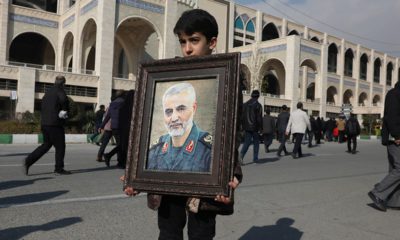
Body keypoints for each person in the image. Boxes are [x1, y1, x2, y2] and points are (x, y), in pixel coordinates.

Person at [123, 9, 242, 240]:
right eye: (183, 42)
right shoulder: (166, 74)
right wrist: (133, 175)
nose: (188, 48)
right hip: (167, 187)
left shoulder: (227, 77)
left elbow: (231, 131)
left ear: (213, 42)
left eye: (195, 41)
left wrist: (232, 174)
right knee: (168, 232)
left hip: (205, 186)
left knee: (201, 233)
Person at [147, 83, 212, 172]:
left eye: (181, 109)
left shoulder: (209, 151)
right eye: (168, 111)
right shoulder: (155, 150)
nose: (174, 118)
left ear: (193, 108)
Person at [23, 75, 71, 175]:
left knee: (46, 145)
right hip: (55, 124)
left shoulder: (48, 92)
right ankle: (59, 168)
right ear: (63, 83)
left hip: (45, 123)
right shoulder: (60, 90)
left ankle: (29, 160)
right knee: (60, 147)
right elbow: (64, 100)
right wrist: (65, 110)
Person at [368, 81, 400, 211]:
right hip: (395, 138)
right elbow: (391, 117)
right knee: (399, 169)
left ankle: (394, 201)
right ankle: (377, 193)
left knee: (394, 169)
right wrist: (397, 135)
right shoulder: (394, 94)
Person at [100, 90, 125, 168]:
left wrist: (102, 126)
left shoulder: (112, 104)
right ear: (123, 95)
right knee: (122, 145)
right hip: (122, 127)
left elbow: (108, 116)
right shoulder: (124, 103)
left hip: (114, 127)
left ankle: (119, 161)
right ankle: (115, 159)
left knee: (120, 144)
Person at [240, 90, 263, 164]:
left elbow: (242, 116)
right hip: (255, 127)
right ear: (258, 96)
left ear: (251, 95)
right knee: (256, 142)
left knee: (247, 142)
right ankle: (255, 158)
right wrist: (261, 128)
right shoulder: (258, 105)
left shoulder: (245, 104)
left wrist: (242, 126)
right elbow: (259, 118)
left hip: (247, 126)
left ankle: (241, 155)